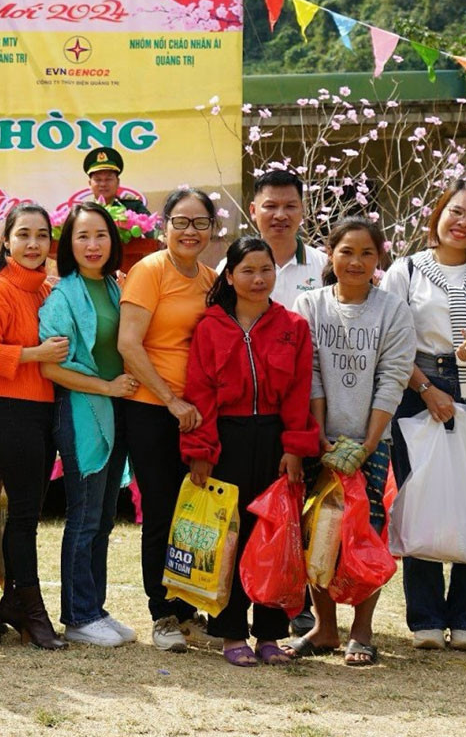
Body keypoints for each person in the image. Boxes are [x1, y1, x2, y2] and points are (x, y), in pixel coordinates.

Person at [381, 177, 466, 654]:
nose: (464, 223)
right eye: (456, 212)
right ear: (437, 214)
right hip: (415, 386)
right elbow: (394, 340)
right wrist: (426, 388)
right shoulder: (407, 270)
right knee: (420, 493)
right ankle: (424, 618)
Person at [181, 235, 321, 667]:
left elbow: (300, 391)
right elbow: (199, 392)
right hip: (227, 439)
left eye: (266, 270)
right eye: (248, 271)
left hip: (277, 441)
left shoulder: (292, 327)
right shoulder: (210, 326)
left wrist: (295, 447)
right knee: (231, 538)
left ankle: (271, 634)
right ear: (229, 276)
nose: (258, 279)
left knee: (276, 537)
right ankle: (230, 633)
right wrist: (200, 449)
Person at [289, 218, 415, 666]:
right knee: (316, 525)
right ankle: (324, 628)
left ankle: (362, 628)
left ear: (379, 257)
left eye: (366, 253)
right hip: (318, 437)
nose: (356, 261)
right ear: (331, 254)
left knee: (368, 530)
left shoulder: (393, 311)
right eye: (347, 251)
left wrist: (367, 443)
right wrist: (321, 435)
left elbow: (393, 379)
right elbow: (311, 374)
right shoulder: (310, 304)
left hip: (372, 439)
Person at [117, 188, 218, 652]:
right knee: (160, 511)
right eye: (181, 221)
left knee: (192, 514)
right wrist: (170, 399)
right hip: (152, 410)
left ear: (212, 230)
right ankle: (161, 613)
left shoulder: (211, 279)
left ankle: (185, 603)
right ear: (164, 226)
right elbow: (129, 345)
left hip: (195, 413)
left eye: (200, 223)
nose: (190, 231)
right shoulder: (149, 271)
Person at [0, 202, 68, 650]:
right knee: (24, 516)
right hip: (12, 410)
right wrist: (33, 355)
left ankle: (14, 601)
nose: (33, 244)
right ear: (6, 241)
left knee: (31, 514)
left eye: (41, 235)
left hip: (44, 411)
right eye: (23, 235)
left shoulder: (45, 290)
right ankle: (29, 607)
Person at [38, 202, 138, 648]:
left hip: (115, 412)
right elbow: (51, 369)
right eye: (82, 236)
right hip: (82, 413)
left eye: (100, 235)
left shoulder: (118, 289)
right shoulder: (63, 296)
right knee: (82, 516)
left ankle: (95, 608)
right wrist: (108, 388)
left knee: (103, 518)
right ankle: (78, 617)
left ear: (113, 242)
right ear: (69, 245)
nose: (92, 244)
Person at [245, 168, 329, 304]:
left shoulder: (324, 267)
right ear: (253, 211)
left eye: (290, 206)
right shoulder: (232, 266)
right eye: (271, 206)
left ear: (303, 210)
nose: (280, 215)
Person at [81, 147, 158, 269]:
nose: (103, 184)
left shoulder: (133, 207)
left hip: (128, 270)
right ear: (89, 184)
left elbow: (152, 230)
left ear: (118, 182)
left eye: (108, 179)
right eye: (98, 179)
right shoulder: (82, 212)